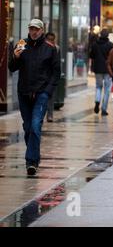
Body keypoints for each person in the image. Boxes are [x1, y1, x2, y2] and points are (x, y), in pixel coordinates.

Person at [8, 19, 61, 176]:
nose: (34, 31)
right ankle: (34, 157)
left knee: (35, 126)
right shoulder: (21, 45)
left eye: (37, 29)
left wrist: (48, 91)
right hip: (24, 92)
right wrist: (15, 57)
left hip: (41, 93)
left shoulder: (50, 48)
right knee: (28, 127)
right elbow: (12, 67)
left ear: (42, 30)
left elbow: (56, 72)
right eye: (31, 28)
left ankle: (31, 162)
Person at [90, 29, 113, 116]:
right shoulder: (111, 45)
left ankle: (97, 101)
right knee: (107, 89)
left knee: (98, 87)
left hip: (97, 69)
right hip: (108, 70)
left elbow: (91, 56)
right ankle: (104, 109)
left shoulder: (94, 44)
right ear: (108, 35)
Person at [44, 32, 61, 123]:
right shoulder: (41, 48)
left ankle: (50, 115)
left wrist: (56, 78)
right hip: (42, 76)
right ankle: (41, 115)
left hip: (51, 77)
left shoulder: (57, 49)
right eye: (49, 40)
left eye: (52, 40)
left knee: (50, 96)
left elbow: (57, 65)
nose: (50, 42)